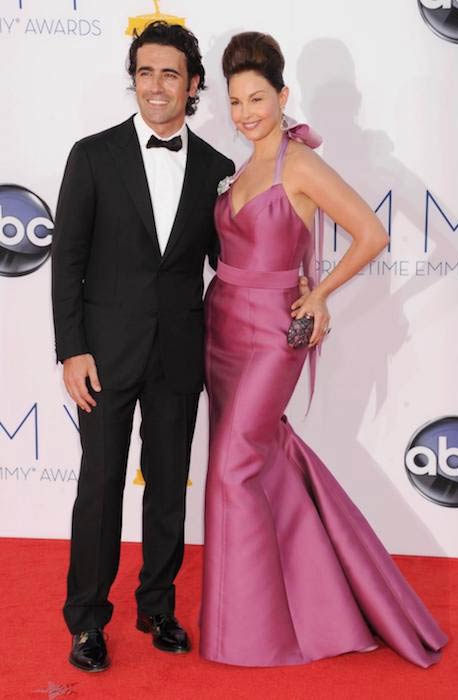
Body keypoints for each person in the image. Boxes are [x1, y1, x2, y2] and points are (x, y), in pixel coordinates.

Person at [199, 32, 447, 668]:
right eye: (236, 101)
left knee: (232, 469)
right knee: (262, 462)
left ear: (283, 96)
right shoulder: (239, 169)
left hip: (274, 334)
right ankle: (329, 602)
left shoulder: (297, 164)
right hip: (222, 327)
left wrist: (320, 295)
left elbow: (371, 233)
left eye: (258, 97)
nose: (247, 111)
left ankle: (249, 635)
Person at [52, 21, 234, 672]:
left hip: (180, 352)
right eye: (146, 72)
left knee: (167, 488)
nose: (157, 86)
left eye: (171, 74)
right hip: (102, 354)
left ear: (192, 86)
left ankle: (157, 604)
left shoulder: (218, 168)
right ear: (134, 78)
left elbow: (230, 261)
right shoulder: (92, 155)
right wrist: (71, 349)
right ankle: (85, 620)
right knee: (99, 485)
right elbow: (66, 259)